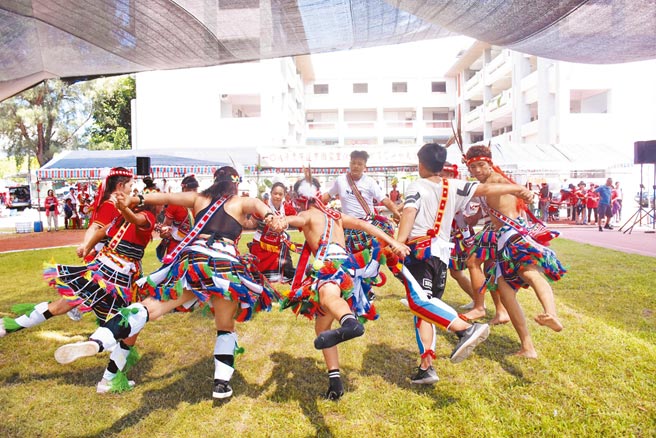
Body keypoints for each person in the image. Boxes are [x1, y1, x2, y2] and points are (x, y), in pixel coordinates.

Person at [126, 166, 284, 400]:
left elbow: (167, 197)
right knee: (225, 325)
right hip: (225, 266)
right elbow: (261, 208)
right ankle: (221, 383)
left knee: (158, 304)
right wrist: (273, 218)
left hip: (195, 260)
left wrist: (135, 198)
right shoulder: (240, 201)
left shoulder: (199, 198)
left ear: (214, 182)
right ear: (235, 184)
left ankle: (105, 339)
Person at [0, 168, 155, 393]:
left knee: (61, 306)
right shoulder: (124, 209)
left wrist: (87, 246)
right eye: (131, 184)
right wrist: (88, 243)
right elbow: (100, 226)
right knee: (129, 327)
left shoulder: (121, 210)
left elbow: (101, 230)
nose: (133, 188)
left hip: (101, 269)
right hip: (115, 277)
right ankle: (109, 378)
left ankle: (9, 325)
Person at [394, 143, 535, 384]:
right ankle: (426, 367)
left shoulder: (417, 186)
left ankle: (465, 329)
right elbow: (487, 188)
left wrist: (398, 242)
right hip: (440, 255)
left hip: (419, 251)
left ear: (421, 164)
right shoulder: (454, 186)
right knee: (426, 309)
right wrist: (519, 188)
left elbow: (409, 212)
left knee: (419, 302)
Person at [282, 179, 410, 399]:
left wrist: (279, 220)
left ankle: (350, 324)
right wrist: (394, 242)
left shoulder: (308, 216)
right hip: (349, 268)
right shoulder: (335, 216)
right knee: (322, 328)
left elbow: (291, 220)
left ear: (298, 199)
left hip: (329, 264)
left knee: (328, 297)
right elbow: (366, 226)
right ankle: (335, 382)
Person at [465, 145, 566, 358]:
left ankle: (550, 315)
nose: (477, 171)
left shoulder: (497, 181)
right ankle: (528, 347)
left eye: (481, 165)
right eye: (472, 167)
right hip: (507, 237)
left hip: (513, 236)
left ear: (490, 163)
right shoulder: (493, 181)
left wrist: (522, 191)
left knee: (528, 273)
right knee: (505, 289)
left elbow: (510, 188)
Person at [321, 150, 402, 253]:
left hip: (368, 226)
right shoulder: (340, 180)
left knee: (373, 258)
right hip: (348, 227)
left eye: (359, 164)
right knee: (351, 259)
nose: (356, 166)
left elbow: (384, 199)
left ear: (365, 167)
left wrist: (396, 212)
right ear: (349, 164)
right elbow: (327, 196)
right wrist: (312, 202)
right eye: (353, 163)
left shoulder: (370, 182)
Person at [248, 182, 297, 283]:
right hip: (261, 245)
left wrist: (285, 223)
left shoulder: (287, 208)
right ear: (271, 193)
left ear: (284, 195)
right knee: (257, 274)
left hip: (279, 245)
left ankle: (295, 294)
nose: (277, 196)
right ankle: (258, 295)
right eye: (275, 193)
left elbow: (296, 220)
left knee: (288, 271)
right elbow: (251, 223)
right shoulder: (262, 206)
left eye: (280, 194)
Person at [156, 174, 199, 262]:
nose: (192, 192)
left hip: (195, 245)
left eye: (194, 190)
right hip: (175, 245)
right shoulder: (175, 204)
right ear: (183, 190)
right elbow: (166, 225)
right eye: (189, 190)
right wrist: (164, 232)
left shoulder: (200, 204)